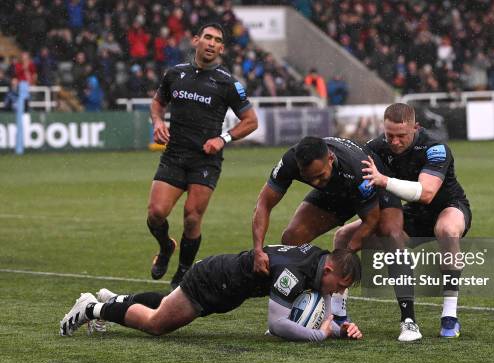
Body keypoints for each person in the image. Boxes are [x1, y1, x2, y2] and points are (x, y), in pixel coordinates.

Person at [335, 103, 471, 341]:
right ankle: (338, 314)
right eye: (390, 136)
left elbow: (427, 193)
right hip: (411, 214)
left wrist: (383, 180)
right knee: (343, 236)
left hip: (449, 208)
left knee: (447, 230)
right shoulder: (376, 148)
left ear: (415, 128)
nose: (395, 142)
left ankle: (449, 315)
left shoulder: (435, 148)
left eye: (401, 136)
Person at [147, 22, 258, 288]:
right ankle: (165, 247)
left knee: (192, 216)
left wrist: (223, 138)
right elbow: (157, 102)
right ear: (196, 40)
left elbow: (251, 121)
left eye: (217, 40)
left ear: (221, 48)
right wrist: (158, 122)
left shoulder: (227, 82)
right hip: (174, 154)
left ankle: (183, 272)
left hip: (205, 160)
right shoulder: (175, 74)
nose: (211, 43)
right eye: (207, 37)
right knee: (155, 213)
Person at [60, 245, 363, 342]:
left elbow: (323, 299)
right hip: (213, 282)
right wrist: (319, 335)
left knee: (167, 306)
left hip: (223, 281)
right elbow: (277, 325)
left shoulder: (319, 260)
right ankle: (92, 308)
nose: (340, 290)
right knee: (157, 324)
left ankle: (116, 301)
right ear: (330, 271)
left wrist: (340, 327)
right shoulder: (293, 274)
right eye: (342, 284)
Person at [252, 136, 382, 322]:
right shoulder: (290, 161)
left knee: (389, 232)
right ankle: (300, 310)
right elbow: (263, 204)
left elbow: (372, 219)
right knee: (292, 238)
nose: (315, 183)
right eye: (309, 178)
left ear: (330, 158)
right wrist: (258, 249)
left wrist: (346, 253)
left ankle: (340, 308)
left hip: (362, 188)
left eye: (320, 175)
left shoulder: (357, 169)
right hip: (332, 194)